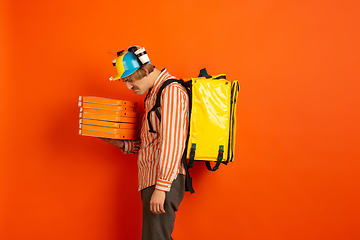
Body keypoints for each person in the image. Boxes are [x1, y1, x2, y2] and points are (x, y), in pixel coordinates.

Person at [102, 45, 189, 240]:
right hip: (153, 179)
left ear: (146, 70)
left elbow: (173, 142)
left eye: (129, 80)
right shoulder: (153, 94)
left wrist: (162, 187)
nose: (128, 86)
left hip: (163, 180)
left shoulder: (171, 91)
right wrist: (123, 145)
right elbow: (154, 143)